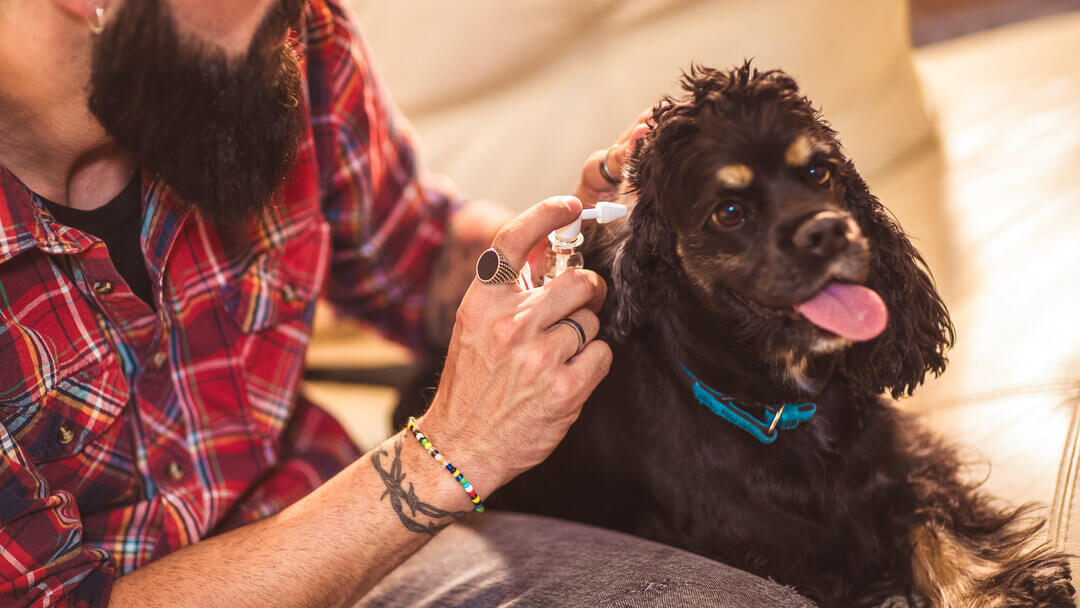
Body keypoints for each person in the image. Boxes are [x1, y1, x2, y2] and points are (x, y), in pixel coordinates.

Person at [0, 0, 815, 606]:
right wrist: (450, 451)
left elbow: (419, 255)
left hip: (353, 538)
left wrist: (581, 250)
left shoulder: (287, 37)